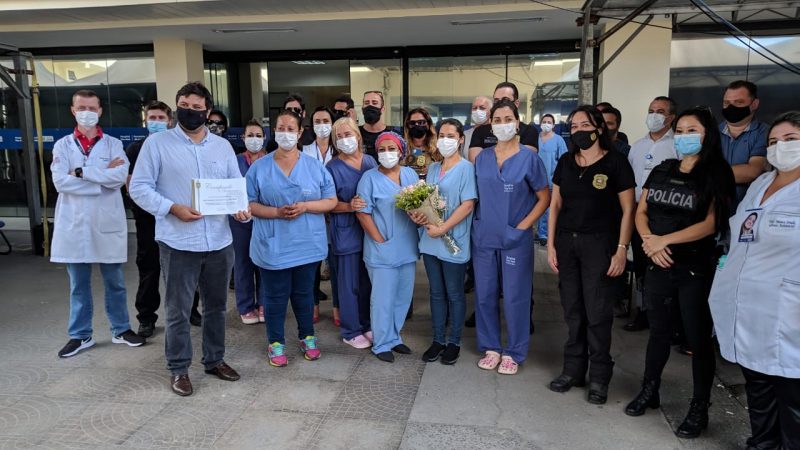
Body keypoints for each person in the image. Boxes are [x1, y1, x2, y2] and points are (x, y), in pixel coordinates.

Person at [130, 81, 249, 396]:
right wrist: (171, 208)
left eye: (197, 107)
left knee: (216, 307)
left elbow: (235, 187)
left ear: (207, 111)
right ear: (177, 105)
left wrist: (240, 210)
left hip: (219, 242)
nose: (191, 111)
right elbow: (139, 187)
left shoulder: (222, 147)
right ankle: (179, 368)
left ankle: (214, 359)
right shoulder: (157, 145)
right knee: (179, 309)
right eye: (185, 104)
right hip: (179, 241)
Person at [623, 107, 735, 440]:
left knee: (697, 339)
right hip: (658, 262)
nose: (686, 137)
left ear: (707, 134)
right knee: (657, 332)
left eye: (693, 131)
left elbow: (711, 223)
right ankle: (649, 390)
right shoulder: (662, 169)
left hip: (694, 267)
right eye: (682, 131)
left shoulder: (717, 173)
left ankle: (699, 407)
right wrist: (649, 242)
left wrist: (663, 241)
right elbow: (642, 211)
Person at [709, 111, 800, 450]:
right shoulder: (761, 184)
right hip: (750, 308)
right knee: (759, 389)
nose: (780, 148)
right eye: (774, 142)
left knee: (791, 398)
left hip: (789, 313)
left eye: (790, 140)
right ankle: (762, 444)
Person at [547, 105, 635, 404]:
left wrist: (622, 249)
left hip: (600, 244)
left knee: (597, 312)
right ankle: (573, 370)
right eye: (573, 126)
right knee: (573, 310)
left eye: (585, 124)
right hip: (567, 243)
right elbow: (555, 206)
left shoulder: (617, 163)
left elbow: (628, 210)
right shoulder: (566, 161)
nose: (578, 130)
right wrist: (550, 245)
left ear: (599, 127)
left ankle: (599, 377)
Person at [52, 89, 145, 358]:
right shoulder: (62, 146)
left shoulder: (113, 145)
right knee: (78, 284)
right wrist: (100, 179)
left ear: (100, 111)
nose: (87, 113)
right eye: (82, 107)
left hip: (106, 222)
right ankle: (80, 335)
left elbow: (118, 178)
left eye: (92, 108)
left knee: (115, 281)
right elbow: (60, 182)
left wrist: (81, 173)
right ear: (73, 110)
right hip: (74, 224)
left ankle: (121, 329)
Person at [246, 109, 337, 368]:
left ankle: (307, 336)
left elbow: (331, 201)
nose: (284, 133)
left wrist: (306, 207)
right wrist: (275, 212)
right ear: (274, 132)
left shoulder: (314, 167)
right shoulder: (259, 168)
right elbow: (249, 203)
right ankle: (276, 342)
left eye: (290, 129)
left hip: (306, 243)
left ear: (299, 133)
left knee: (304, 294)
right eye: (280, 128)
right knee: (274, 296)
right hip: (273, 244)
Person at [472, 100, 549, 375]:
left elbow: (544, 198)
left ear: (517, 123)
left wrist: (523, 227)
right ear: (490, 124)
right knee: (485, 294)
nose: (502, 124)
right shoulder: (482, 158)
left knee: (516, 296)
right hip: (484, 236)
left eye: (508, 119)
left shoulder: (529, 158)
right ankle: (491, 346)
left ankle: (514, 351)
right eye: (497, 119)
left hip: (516, 238)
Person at [411, 118, 476, 365]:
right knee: (436, 293)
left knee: (455, 294)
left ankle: (454, 342)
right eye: (441, 135)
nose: (445, 140)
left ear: (460, 139)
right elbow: (428, 199)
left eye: (451, 135)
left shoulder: (467, 169)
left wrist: (444, 228)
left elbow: (468, 204)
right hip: (431, 240)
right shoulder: (434, 168)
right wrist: (419, 215)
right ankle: (438, 339)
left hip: (452, 239)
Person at [353, 131, 420, 363]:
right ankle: (381, 343)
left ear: (401, 152)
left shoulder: (410, 174)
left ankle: (394, 337)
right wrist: (380, 241)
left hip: (407, 247)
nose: (387, 153)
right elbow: (363, 213)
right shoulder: (369, 178)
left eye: (392, 149)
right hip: (381, 249)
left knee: (402, 297)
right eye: (382, 149)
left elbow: (421, 204)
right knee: (383, 298)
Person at [624, 96, 678, 333]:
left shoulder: (676, 146)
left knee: (666, 266)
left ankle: (669, 318)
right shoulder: (637, 146)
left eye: (660, 111)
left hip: (666, 219)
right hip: (638, 215)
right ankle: (642, 311)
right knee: (641, 268)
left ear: (671, 117)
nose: (654, 115)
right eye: (651, 110)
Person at [327, 117, 377, 349]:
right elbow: (327, 203)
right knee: (349, 284)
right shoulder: (332, 168)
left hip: (370, 231)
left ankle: (366, 324)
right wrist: (349, 206)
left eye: (348, 134)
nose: (345, 140)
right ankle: (351, 329)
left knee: (367, 281)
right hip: (345, 232)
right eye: (339, 137)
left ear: (358, 135)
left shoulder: (370, 162)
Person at [125, 100, 172, 338]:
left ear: (169, 121)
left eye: (160, 118)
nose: (156, 122)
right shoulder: (135, 149)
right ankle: (146, 317)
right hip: (147, 219)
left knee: (180, 269)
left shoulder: (175, 147)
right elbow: (131, 185)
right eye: (151, 118)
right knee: (149, 267)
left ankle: (191, 310)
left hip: (175, 216)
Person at [232, 119, 268, 325]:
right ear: (243, 138)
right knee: (243, 263)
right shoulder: (234, 161)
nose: (254, 139)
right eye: (250, 135)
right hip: (240, 220)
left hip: (265, 218)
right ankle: (246, 306)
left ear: (264, 138)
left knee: (264, 261)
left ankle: (264, 303)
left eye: (258, 135)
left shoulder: (270, 160)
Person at [303, 106, 338, 316]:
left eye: (326, 121)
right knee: (313, 265)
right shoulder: (304, 150)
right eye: (318, 121)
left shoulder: (340, 150)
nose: (322, 125)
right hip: (314, 213)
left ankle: (337, 307)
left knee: (335, 264)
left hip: (335, 214)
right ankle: (313, 305)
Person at [719, 80, 768, 206]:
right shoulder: (711, 132)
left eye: (739, 102)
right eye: (727, 103)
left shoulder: (766, 132)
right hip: (712, 209)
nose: (731, 107)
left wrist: (708, 174)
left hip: (747, 209)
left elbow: (753, 171)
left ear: (754, 104)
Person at [468, 81, 539, 162]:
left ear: (516, 103)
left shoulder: (529, 131)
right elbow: (476, 161)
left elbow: (525, 161)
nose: (500, 104)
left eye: (506, 100)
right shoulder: (480, 131)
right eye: (496, 101)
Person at [535, 113, 568, 246]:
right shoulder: (535, 139)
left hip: (550, 180)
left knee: (548, 209)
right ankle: (539, 232)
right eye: (544, 121)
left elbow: (564, 161)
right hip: (535, 180)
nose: (546, 124)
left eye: (549, 122)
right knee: (536, 207)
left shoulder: (558, 140)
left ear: (554, 125)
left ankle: (546, 234)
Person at [403, 107, 441, 178]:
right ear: (408, 126)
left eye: (421, 122)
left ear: (428, 124)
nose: (417, 125)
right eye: (412, 123)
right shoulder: (402, 148)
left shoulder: (438, 148)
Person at [359, 90, 395, 160]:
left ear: (382, 109)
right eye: (366, 103)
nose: (370, 105)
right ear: (362, 109)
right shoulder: (355, 134)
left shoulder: (393, 134)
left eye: (374, 103)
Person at [463, 95, 492, 161]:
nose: (477, 111)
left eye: (482, 108)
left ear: (490, 111)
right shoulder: (465, 134)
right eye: (474, 108)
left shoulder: (496, 133)